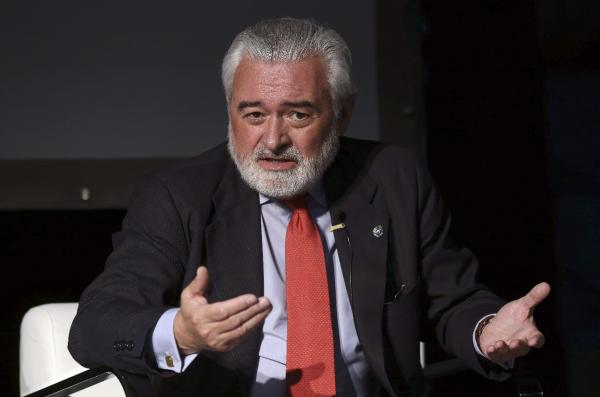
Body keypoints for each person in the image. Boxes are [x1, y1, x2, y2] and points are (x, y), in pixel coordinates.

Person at [68, 17, 550, 397]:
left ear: (341, 113)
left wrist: (486, 331)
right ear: (229, 111)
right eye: (253, 114)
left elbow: (454, 298)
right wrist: (180, 332)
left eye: (297, 114)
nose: (273, 139)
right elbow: (94, 327)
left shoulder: (393, 177)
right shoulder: (177, 196)